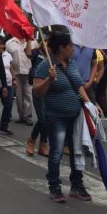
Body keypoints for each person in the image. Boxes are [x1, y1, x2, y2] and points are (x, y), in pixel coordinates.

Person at [33, 31, 93, 203]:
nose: (73, 49)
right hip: (56, 117)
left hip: (75, 115)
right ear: (61, 48)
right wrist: (49, 80)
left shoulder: (72, 63)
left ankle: (77, 185)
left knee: (76, 151)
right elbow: (37, 92)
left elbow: (79, 86)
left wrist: (90, 104)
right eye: (70, 46)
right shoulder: (46, 66)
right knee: (57, 152)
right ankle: (54, 186)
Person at [5, 35, 36, 125]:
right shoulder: (10, 43)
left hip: (29, 73)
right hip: (16, 73)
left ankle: (27, 116)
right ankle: (21, 115)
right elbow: (7, 59)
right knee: (18, 96)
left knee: (28, 94)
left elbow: (35, 56)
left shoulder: (33, 42)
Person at [26, 42, 49, 157]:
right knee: (43, 118)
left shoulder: (54, 58)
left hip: (50, 92)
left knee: (47, 118)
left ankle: (43, 144)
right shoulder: (37, 52)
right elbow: (28, 53)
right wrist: (29, 39)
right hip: (38, 90)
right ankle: (32, 140)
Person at [0, 37, 15, 135]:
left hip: (8, 84)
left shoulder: (8, 55)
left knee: (8, 105)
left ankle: (4, 126)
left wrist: (14, 79)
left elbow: (11, 67)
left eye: (2, 44)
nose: (0, 46)